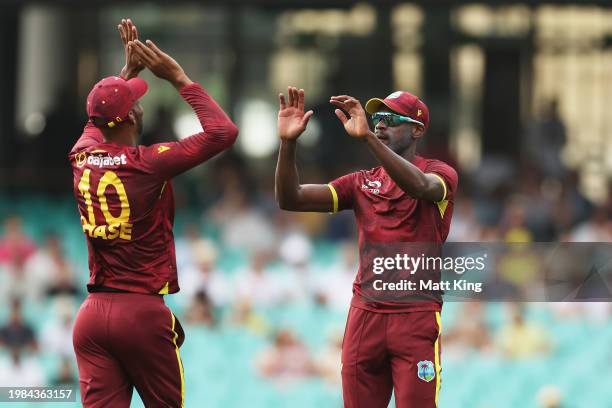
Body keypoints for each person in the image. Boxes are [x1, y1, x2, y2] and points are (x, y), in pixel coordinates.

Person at [69, 19, 238, 408]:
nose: (140, 104)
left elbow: (96, 122)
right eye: (134, 102)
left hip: (92, 318)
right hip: (141, 314)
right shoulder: (148, 164)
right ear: (130, 118)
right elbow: (223, 133)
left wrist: (119, 81)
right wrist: (177, 77)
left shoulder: (80, 155)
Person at [275, 87, 458, 407]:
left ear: (417, 130)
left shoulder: (440, 173)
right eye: (377, 119)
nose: (380, 125)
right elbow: (291, 198)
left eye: (390, 119)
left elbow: (419, 187)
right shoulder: (360, 182)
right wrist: (288, 143)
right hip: (365, 317)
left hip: (415, 318)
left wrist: (367, 140)